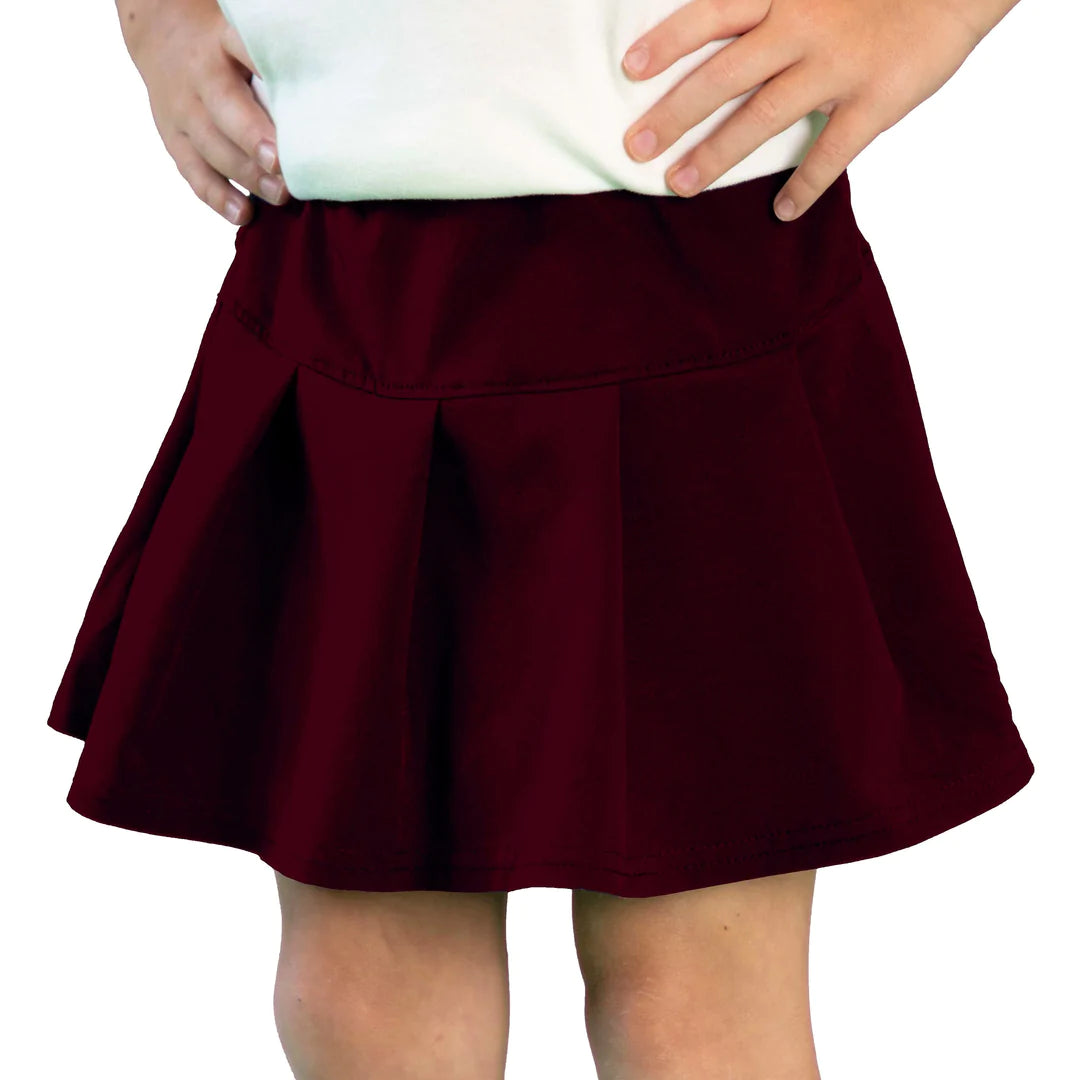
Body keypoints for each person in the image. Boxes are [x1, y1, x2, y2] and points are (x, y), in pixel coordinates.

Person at [48, 1, 1034, 1077]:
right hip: (346, 253)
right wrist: (157, 14)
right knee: (365, 986)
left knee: (692, 1003)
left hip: (700, 256)